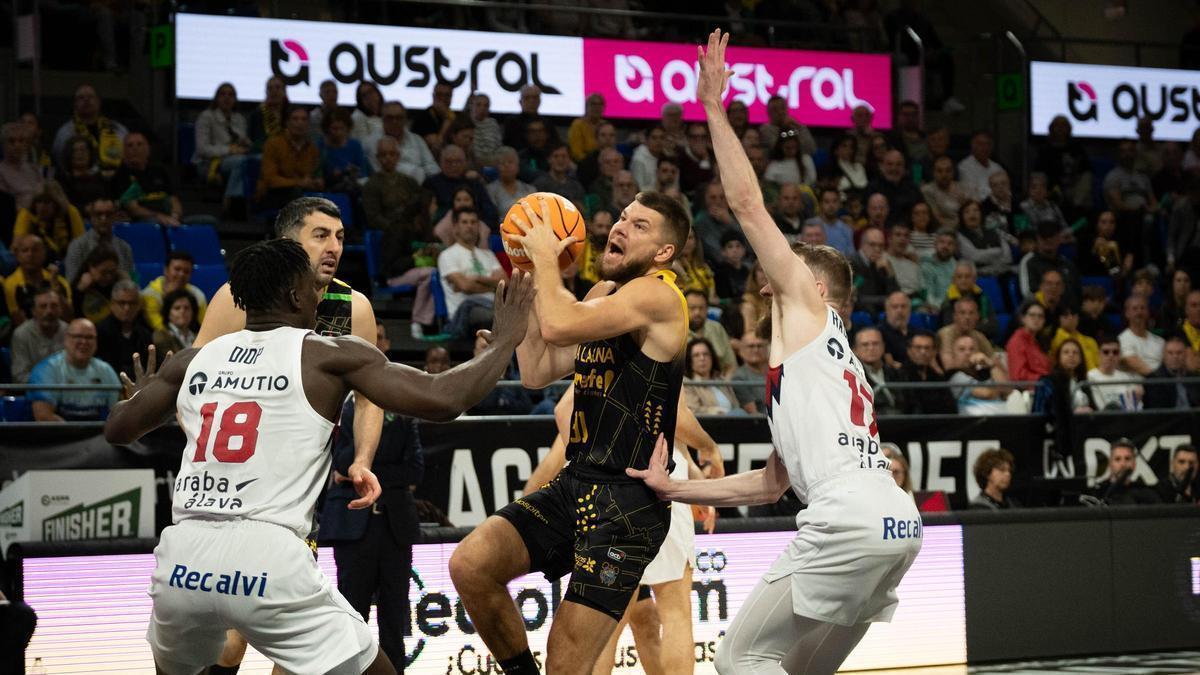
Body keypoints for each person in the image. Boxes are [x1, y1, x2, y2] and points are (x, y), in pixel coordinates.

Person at [102, 237, 533, 675]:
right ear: (294, 295)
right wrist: (505, 343)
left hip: (183, 558)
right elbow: (444, 400)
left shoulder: (192, 361)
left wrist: (139, 398)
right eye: (314, 288)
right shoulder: (327, 356)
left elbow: (119, 428)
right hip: (266, 555)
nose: (320, 295)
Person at [629, 31, 923, 674]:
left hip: (848, 515)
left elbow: (745, 204)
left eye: (781, 274)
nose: (766, 280)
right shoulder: (830, 364)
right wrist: (677, 488)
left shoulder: (808, 310)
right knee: (797, 669)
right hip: (897, 520)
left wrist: (712, 107)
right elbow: (771, 484)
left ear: (815, 289)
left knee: (740, 657)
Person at [449, 183, 690, 674]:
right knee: (471, 565)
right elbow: (538, 368)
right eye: (622, 217)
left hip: (627, 502)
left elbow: (560, 325)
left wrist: (542, 260)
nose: (620, 226)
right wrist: (527, 293)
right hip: (577, 482)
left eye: (639, 225)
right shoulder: (602, 293)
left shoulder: (660, 296)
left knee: (568, 660)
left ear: (664, 251)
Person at [193, 195, 389, 675]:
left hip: (302, 495)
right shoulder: (235, 297)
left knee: (296, 637)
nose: (334, 247)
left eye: (340, 238)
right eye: (320, 235)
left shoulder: (352, 308)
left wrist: (362, 458)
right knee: (235, 634)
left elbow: (370, 397)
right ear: (286, 242)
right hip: (233, 492)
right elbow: (192, 384)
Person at [521, 385, 721, 675]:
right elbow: (677, 415)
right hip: (657, 478)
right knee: (675, 610)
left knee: (609, 620)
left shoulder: (601, 359)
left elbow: (564, 411)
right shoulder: (655, 346)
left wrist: (594, 457)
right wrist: (709, 447)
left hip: (611, 489)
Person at [318, 322, 423, 671]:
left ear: (388, 344)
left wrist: (366, 471)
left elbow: (415, 470)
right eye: (368, 336)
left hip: (395, 526)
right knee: (351, 614)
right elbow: (336, 462)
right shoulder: (333, 397)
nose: (374, 342)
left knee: (395, 616)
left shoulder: (402, 401)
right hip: (352, 525)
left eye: (379, 337)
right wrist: (372, 468)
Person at [28, 318, 120, 421]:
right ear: (66, 339)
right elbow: (43, 417)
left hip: (100, 435)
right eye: (78, 336)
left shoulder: (106, 370)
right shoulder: (46, 369)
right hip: (61, 435)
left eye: (89, 337)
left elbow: (117, 414)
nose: (84, 342)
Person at [438, 206, 505, 338]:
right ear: (456, 227)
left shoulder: (488, 255)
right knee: (498, 319)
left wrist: (475, 278)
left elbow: (505, 283)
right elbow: (465, 286)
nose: (469, 226)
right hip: (465, 313)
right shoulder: (447, 255)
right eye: (465, 222)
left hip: (493, 307)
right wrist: (492, 286)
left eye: (473, 222)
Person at [110, 132, 185, 227]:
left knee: (206, 220)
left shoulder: (159, 170)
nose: (135, 148)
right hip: (141, 222)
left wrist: (175, 215)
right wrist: (159, 216)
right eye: (130, 145)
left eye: (139, 144)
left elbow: (174, 200)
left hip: (169, 218)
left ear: (148, 149)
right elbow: (133, 209)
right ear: (123, 151)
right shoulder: (121, 175)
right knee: (155, 223)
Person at [256, 105, 323, 211]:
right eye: (295, 119)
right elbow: (270, 179)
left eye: (304, 119)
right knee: (298, 194)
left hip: (301, 193)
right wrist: (298, 182)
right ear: (287, 123)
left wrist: (316, 181)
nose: (300, 123)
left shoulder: (312, 149)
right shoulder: (273, 144)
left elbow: (313, 174)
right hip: (273, 194)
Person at [193, 82, 251, 204]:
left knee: (252, 160)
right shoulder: (206, 117)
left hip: (235, 158)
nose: (227, 97)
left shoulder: (239, 119)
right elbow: (202, 149)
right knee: (241, 162)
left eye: (231, 95)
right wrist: (229, 150)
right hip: (210, 163)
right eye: (223, 94)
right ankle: (230, 200)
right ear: (216, 98)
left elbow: (243, 142)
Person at [51, 84, 128, 173]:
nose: (86, 100)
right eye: (81, 98)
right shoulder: (64, 133)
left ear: (99, 101)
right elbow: (59, 161)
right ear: (75, 104)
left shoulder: (118, 129)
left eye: (91, 97)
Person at [5, 234, 72, 326]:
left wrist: (56, 289)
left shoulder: (59, 281)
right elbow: (18, 322)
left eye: (35, 250)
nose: (30, 254)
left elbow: (68, 318)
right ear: (17, 255)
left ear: (44, 253)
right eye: (25, 250)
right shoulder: (10, 284)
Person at [361, 136, 423, 233]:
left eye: (392, 154)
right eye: (383, 155)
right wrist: (395, 228)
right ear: (378, 158)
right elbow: (373, 217)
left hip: (411, 230)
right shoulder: (371, 185)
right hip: (387, 234)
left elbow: (419, 206)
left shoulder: (410, 182)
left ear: (398, 156)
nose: (388, 158)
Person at [63, 197, 133, 281]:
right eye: (98, 214)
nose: (103, 219)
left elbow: (130, 282)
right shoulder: (77, 246)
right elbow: (71, 281)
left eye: (109, 214)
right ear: (91, 216)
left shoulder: (124, 248)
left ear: (115, 216)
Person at [366, 102, 439, 181]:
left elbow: (432, 167)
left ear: (405, 119)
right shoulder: (371, 143)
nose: (395, 121)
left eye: (399, 117)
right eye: (390, 118)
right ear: (382, 119)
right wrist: (416, 172)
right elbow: (377, 171)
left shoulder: (417, 139)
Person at [95, 279, 153, 378]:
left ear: (139, 305)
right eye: (122, 303)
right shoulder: (99, 332)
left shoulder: (145, 334)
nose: (127, 308)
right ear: (112, 304)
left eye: (132, 303)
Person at [141, 251, 208, 332]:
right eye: (177, 269)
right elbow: (159, 327)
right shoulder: (150, 295)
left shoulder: (198, 295)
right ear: (166, 270)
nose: (181, 274)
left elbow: (203, 328)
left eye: (186, 271)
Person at [10, 286, 67, 383]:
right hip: (35, 393)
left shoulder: (70, 332)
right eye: (43, 306)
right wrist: (50, 384)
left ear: (60, 309)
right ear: (33, 311)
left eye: (54, 306)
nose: (49, 311)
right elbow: (19, 376)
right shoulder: (21, 334)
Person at [13, 189, 84, 263]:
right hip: (35, 262)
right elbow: (17, 247)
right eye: (39, 201)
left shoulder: (70, 212)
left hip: (68, 261)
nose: (42, 206)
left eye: (47, 202)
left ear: (56, 204)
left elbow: (81, 245)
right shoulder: (26, 214)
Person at [947, 334, 1012, 415]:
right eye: (961, 349)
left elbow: (1008, 391)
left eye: (972, 349)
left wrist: (991, 364)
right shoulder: (954, 375)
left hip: (1002, 416)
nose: (968, 353)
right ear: (953, 355)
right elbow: (987, 394)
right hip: (978, 423)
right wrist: (1000, 389)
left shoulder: (987, 371)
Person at [898, 330, 958, 414]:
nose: (923, 352)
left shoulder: (937, 376)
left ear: (934, 352)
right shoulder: (899, 375)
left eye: (927, 348)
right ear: (909, 350)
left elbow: (951, 408)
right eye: (918, 347)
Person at [1090, 440, 1161, 505]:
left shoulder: (1146, 493)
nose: (1123, 464)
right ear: (1110, 464)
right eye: (1117, 459)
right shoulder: (1098, 493)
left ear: (1134, 464)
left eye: (1127, 459)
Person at [318, 108, 371, 195]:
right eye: (334, 128)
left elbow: (362, 172)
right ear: (327, 129)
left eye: (342, 128)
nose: (338, 132)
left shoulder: (355, 146)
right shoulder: (321, 146)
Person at [854, 326, 904, 414]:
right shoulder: (853, 378)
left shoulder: (897, 373)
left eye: (875, 343)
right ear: (855, 350)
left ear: (883, 347)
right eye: (865, 344)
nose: (871, 348)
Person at [686, 289, 736, 377]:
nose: (697, 312)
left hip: (718, 384)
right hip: (685, 386)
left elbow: (731, 365)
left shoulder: (717, 328)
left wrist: (724, 385)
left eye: (701, 308)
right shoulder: (674, 332)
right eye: (692, 308)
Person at [683, 337, 739, 415]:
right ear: (689, 361)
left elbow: (736, 406)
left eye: (705, 354)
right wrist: (720, 412)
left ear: (712, 358)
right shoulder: (686, 383)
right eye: (696, 355)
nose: (702, 358)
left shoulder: (721, 380)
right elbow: (694, 411)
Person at [71, 244, 125, 324]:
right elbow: (74, 316)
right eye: (104, 272)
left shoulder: (119, 283)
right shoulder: (78, 286)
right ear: (91, 267)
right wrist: (79, 291)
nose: (109, 277)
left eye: (112, 272)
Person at [851, 227, 899, 314]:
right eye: (872, 244)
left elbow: (896, 296)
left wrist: (890, 273)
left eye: (881, 246)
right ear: (862, 245)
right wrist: (886, 300)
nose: (877, 249)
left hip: (879, 314)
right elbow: (856, 299)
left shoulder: (882, 264)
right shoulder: (851, 264)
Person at [1142, 336, 1200, 409]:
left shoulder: (1194, 378)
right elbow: (1159, 412)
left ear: (1185, 355)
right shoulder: (1154, 379)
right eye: (1170, 353)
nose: (1175, 357)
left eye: (1179, 353)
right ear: (1164, 356)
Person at [1087, 337, 1143, 411]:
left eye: (1115, 352)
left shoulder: (1126, 377)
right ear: (1099, 354)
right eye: (1106, 352)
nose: (1111, 355)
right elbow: (1100, 407)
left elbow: (1135, 410)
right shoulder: (1090, 376)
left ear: (1119, 355)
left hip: (1126, 419)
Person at [0, 121, 45, 210]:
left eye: (21, 140)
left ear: (26, 144)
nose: (17, 145)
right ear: (3, 145)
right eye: (11, 141)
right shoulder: (1, 171)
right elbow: (5, 208)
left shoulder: (34, 169)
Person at [1006, 300, 1051, 384]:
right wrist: (1045, 380)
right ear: (1023, 319)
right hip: (1031, 391)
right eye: (1032, 315)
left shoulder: (1039, 341)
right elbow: (1018, 376)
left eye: (1040, 316)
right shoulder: (1016, 341)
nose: (1036, 319)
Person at [1119, 295, 1163, 377]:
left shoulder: (1160, 341)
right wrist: (1158, 379)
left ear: (1148, 312)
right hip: (1135, 386)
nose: (1139, 312)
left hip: (1160, 384)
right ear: (1127, 313)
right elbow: (1131, 361)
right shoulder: (1122, 339)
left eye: (1143, 308)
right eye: (1135, 308)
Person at [487, 146, 536, 216]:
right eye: (502, 163)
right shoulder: (490, 190)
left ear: (517, 166)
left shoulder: (530, 189)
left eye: (510, 162)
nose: (506, 165)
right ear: (496, 167)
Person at [920, 155, 967, 229]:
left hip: (964, 229)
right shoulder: (927, 191)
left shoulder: (962, 188)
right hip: (942, 231)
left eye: (948, 170)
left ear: (953, 172)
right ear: (933, 173)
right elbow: (937, 218)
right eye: (939, 171)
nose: (944, 175)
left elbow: (968, 213)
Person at [957, 131, 1005, 201]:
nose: (985, 148)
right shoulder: (964, 166)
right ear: (973, 146)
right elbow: (971, 195)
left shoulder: (997, 167)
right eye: (980, 144)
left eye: (988, 144)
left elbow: (1006, 191)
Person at [1050, 306, 1100, 371]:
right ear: (1059, 319)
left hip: (1093, 378)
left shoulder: (1090, 341)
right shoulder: (1054, 340)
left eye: (1073, 315)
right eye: (1066, 315)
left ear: (1078, 317)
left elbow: (1099, 364)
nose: (1070, 318)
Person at [152, 288, 200, 355]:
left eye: (186, 308)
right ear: (168, 312)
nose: (182, 311)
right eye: (177, 308)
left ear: (193, 312)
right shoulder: (160, 336)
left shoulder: (198, 335)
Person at [920, 229, 958, 312]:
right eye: (942, 242)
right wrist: (944, 307)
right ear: (935, 244)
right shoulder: (927, 265)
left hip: (955, 306)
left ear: (955, 248)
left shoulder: (956, 266)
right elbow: (928, 295)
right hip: (936, 308)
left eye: (950, 244)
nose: (945, 246)